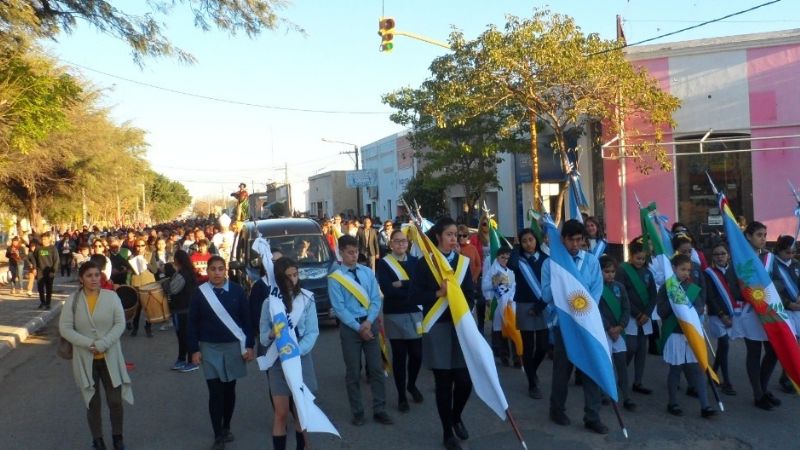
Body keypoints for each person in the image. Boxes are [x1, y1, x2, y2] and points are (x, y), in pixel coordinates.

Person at [409, 217, 474, 450]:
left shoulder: (463, 263)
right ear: (438, 237)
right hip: (437, 326)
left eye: (456, 235)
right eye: (449, 235)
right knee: (444, 382)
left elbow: (471, 295)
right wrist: (438, 293)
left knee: (465, 381)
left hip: (459, 326)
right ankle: (447, 432)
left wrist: (462, 308)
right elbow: (414, 296)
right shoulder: (424, 264)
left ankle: (456, 416)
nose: (453, 239)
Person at [542, 219, 608, 434]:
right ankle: (557, 408)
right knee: (562, 369)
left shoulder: (591, 261)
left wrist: (585, 312)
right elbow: (545, 295)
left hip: (586, 323)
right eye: (572, 240)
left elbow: (597, 289)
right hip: (564, 324)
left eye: (580, 240)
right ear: (563, 239)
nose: (576, 244)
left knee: (591, 370)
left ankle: (592, 415)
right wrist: (559, 282)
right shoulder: (550, 264)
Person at [59, 261, 133, 450]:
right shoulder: (73, 300)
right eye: (89, 275)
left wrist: (103, 344)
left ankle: (118, 436)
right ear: (81, 279)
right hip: (85, 359)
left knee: (115, 400)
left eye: (96, 275)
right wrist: (89, 344)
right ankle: (97, 439)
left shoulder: (111, 297)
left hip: (110, 357)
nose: (94, 279)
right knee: (92, 403)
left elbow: (119, 323)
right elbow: (65, 328)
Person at [188, 256, 255, 450]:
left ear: (225, 270)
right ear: (207, 271)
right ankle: (218, 434)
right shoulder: (200, 294)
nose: (217, 273)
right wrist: (194, 350)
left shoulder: (237, 291)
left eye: (220, 269)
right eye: (213, 269)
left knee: (229, 390)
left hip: (233, 347)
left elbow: (247, 319)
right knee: (215, 392)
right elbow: (192, 323)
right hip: (209, 348)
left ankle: (226, 426)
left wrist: (249, 345)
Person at [328, 234, 393, 427]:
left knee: (376, 369)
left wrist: (369, 321)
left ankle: (380, 409)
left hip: (369, 323)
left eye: (356, 252)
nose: (354, 256)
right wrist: (358, 327)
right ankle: (357, 412)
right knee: (353, 372)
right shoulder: (335, 279)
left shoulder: (366, 272)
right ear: (341, 253)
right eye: (349, 253)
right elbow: (339, 309)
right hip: (350, 328)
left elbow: (375, 299)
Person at [260, 251, 319, 450]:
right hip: (278, 361)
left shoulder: (307, 299)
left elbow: (312, 332)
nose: (293, 279)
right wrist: (271, 334)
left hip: (300, 358)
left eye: (295, 274)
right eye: (288, 276)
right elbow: (262, 336)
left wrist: (295, 351)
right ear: (279, 278)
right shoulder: (269, 303)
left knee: (301, 411)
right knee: (282, 413)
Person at [656, 254, 716, 418]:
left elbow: (698, 308)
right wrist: (673, 301)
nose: (686, 273)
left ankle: (705, 406)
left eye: (688, 270)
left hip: (690, 333)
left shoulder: (692, 288)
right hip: (674, 333)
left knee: (698, 369)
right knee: (675, 369)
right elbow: (661, 311)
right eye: (682, 269)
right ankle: (673, 402)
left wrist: (688, 310)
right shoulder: (666, 288)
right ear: (673, 269)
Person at [377, 228, 424, 413]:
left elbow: (418, 286)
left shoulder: (415, 262)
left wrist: (402, 284)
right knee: (399, 356)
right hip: (394, 314)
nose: (401, 244)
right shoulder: (384, 263)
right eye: (396, 241)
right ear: (391, 244)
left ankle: (411, 384)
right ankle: (402, 395)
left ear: (408, 243)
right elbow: (388, 290)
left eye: (403, 241)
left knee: (417, 354)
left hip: (415, 313)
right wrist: (408, 288)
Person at [507, 228, 549, 399]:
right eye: (524, 241)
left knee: (542, 347)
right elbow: (511, 265)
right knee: (528, 346)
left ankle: (532, 370)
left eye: (531, 239)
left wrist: (540, 306)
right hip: (524, 305)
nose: (528, 244)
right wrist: (516, 248)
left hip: (543, 304)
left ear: (536, 240)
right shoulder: (519, 261)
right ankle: (532, 383)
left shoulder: (546, 259)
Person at [616, 237, 657, 395]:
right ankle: (620, 376)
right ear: (630, 256)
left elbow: (653, 295)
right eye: (637, 258)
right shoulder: (622, 270)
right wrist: (638, 313)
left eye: (643, 258)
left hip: (645, 316)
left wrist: (647, 313)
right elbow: (622, 294)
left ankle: (638, 382)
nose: (640, 261)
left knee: (642, 349)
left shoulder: (648, 272)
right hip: (631, 316)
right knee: (631, 347)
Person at [598, 255, 636, 411]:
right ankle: (605, 393)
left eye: (613, 272)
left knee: (622, 364)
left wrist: (620, 326)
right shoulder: (597, 288)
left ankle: (626, 395)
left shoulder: (619, 287)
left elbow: (627, 308)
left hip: (619, 332)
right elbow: (597, 311)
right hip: (605, 331)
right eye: (606, 271)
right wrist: (609, 328)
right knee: (607, 363)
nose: (610, 275)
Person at [704, 241, 741, 396]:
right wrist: (722, 315)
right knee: (724, 344)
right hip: (717, 315)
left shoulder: (735, 271)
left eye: (722, 253)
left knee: (723, 347)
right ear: (712, 257)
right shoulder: (709, 273)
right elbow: (710, 297)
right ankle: (726, 382)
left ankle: (713, 372)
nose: (720, 257)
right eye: (716, 254)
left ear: (728, 255)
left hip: (734, 314)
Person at [770, 235, 800, 393]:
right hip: (783, 310)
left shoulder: (796, 264)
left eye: (793, 252)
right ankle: (788, 377)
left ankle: (791, 374)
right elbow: (771, 290)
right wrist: (789, 303)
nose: (791, 255)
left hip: (798, 309)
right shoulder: (772, 265)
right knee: (790, 344)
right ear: (779, 250)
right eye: (788, 252)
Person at [163, 250, 198, 372]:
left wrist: (166, 284)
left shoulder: (182, 274)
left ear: (178, 260)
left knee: (185, 336)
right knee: (183, 336)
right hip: (185, 308)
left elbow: (172, 289)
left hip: (183, 309)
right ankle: (182, 359)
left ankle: (192, 361)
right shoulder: (188, 272)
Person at [482, 246, 516, 367]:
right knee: (501, 331)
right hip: (499, 303)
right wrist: (495, 284)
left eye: (507, 258)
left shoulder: (510, 270)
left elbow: (513, 287)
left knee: (512, 329)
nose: (505, 260)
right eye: (503, 257)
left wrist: (511, 298)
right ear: (498, 257)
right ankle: (504, 355)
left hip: (510, 305)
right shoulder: (493, 270)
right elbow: (485, 286)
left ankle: (517, 357)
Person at [457, 225, 483, 332]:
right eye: (459, 235)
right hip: (457, 284)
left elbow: (478, 265)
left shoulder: (472, 248)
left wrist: (474, 278)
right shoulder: (453, 248)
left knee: (470, 308)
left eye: (464, 235)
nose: (462, 238)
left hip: (470, 283)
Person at [129, 238, 155, 338]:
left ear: (145, 246)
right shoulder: (131, 257)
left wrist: (146, 263)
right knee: (137, 308)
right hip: (136, 284)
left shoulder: (150, 255)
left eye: (142, 245)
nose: (140, 248)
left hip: (148, 284)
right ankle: (135, 328)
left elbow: (155, 270)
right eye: (137, 246)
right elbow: (130, 272)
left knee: (149, 308)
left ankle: (148, 327)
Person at [32, 232, 60, 310]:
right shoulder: (38, 248)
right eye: (42, 239)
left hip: (49, 271)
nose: (43, 240)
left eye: (45, 239)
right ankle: (42, 302)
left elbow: (56, 260)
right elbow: (33, 258)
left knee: (49, 288)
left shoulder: (53, 248)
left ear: (49, 239)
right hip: (40, 271)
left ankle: (48, 303)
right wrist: (34, 267)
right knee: (40, 288)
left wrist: (53, 271)